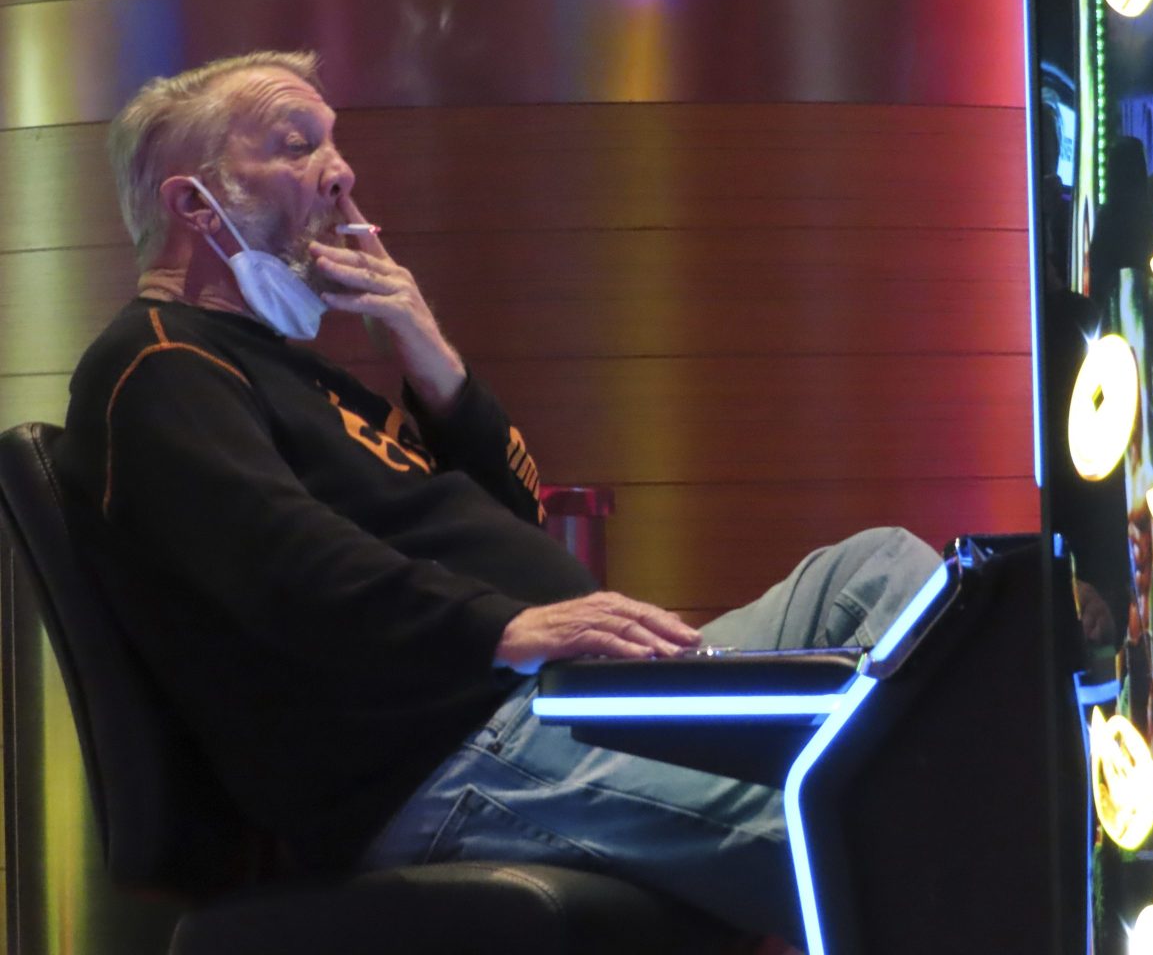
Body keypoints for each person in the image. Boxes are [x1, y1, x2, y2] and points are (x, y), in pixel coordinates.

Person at [53, 50, 941, 945]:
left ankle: (981, 764)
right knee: (878, 827)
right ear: (193, 206)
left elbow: (511, 516)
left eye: (333, 143)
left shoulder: (307, 378)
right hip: (446, 755)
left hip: (558, 699)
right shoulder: (157, 366)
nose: (342, 172)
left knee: (876, 570)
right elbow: (282, 564)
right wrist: (502, 628)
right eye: (295, 146)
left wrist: (423, 347)